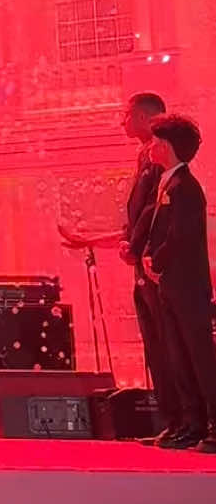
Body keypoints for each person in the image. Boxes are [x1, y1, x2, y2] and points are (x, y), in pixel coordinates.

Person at [58, 91, 179, 435]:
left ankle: (187, 421)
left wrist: (136, 246)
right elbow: (136, 224)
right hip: (145, 267)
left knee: (169, 347)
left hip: (159, 270)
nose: (121, 122)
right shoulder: (147, 158)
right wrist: (93, 240)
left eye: (126, 115)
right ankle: (174, 422)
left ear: (143, 118)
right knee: (156, 347)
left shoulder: (162, 159)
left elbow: (154, 218)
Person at [131, 114, 216, 452]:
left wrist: (158, 259)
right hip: (169, 285)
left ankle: (211, 425)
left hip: (187, 287)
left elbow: (181, 235)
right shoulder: (167, 182)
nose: (150, 147)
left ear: (165, 146)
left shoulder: (186, 187)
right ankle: (191, 425)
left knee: (199, 357)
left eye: (154, 142)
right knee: (178, 357)